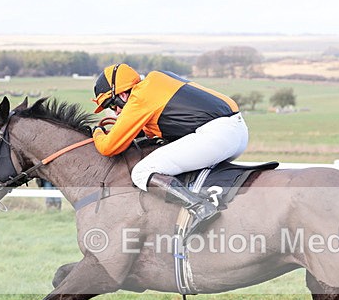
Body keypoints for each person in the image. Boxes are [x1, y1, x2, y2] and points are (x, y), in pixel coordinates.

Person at [91, 63, 248, 232]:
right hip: (237, 131)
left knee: (141, 172)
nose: (116, 112)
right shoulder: (157, 78)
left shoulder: (139, 97)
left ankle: (200, 208)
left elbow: (108, 148)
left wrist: (98, 132)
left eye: (113, 105)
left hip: (216, 136)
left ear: (122, 94)